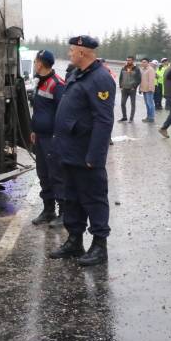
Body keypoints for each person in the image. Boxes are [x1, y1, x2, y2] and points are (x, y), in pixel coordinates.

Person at [49, 36, 116, 267]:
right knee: (72, 199)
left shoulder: (100, 78)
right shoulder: (76, 74)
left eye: (71, 51)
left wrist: (95, 156)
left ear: (82, 53)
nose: (69, 54)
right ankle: (75, 240)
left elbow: (104, 120)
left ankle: (99, 246)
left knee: (94, 198)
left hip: (85, 154)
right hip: (69, 151)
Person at [30, 49, 66, 227]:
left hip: (52, 139)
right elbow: (39, 110)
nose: (35, 64)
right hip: (41, 137)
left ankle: (64, 213)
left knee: (56, 175)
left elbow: (63, 113)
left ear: (41, 63)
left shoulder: (56, 84)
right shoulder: (40, 82)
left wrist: (57, 136)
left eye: (36, 61)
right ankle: (48, 210)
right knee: (43, 174)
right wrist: (34, 129)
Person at [118, 57, 140, 122]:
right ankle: (124, 117)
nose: (128, 61)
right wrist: (120, 86)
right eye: (127, 60)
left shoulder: (136, 69)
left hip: (132, 89)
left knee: (132, 104)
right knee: (122, 103)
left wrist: (134, 87)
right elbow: (120, 77)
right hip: (124, 89)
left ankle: (131, 118)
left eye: (129, 60)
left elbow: (138, 79)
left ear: (133, 61)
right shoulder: (123, 68)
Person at [138, 58, 157, 122]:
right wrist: (140, 89)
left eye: (144, 62)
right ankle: (148, 116)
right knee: (147, 104)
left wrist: (150, 89)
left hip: (149, 90)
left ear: (148, 63)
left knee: (150, 104)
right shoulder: (142, 69)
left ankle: (151, 117)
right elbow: (141, 80)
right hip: (144, 89)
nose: (143, 63)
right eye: (142, 62)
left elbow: (151, 80)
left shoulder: (150, 70)